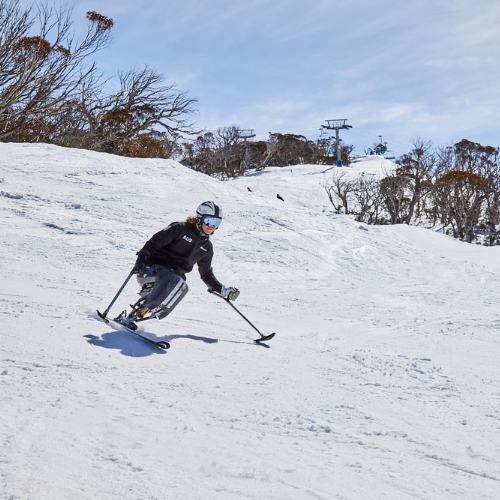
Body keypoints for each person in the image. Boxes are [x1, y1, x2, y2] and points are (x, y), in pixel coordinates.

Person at [114, 201, 239, 330]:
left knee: (182, 286)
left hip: (172, 282)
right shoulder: (179, 229)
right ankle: (130, 317)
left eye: (216, 223)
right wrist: (140, 261)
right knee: (175, 280)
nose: (212, 226)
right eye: (209, 221)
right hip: (149, 271)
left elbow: (206, 274)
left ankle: (137, 315)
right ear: (200, 218)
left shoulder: (206, 248)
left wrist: (222, 290)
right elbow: (153, 243)